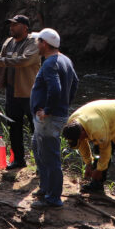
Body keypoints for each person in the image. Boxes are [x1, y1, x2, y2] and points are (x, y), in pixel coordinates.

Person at [29, 27, 78, 208]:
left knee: (50, 157)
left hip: (48, 119)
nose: (36, 44)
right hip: (53, 118)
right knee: (38, 148)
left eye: (37, 41)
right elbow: (75, 84)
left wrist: (48, 110)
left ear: (44, 44)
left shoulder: (50, 63)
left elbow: (55, 89)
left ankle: (53, 198)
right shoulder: (65, 60)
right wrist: (64, 105)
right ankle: (45, 188)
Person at [62, 99, 115, 199]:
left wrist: (99, 170)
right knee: (97, 153)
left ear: (82, 132)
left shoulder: (97, 129)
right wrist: (88, 163)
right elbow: (81, 144)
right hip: (108, 120)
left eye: (80, 138)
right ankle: (97, 184)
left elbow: (106, 151)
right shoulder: (72, 124)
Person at [0, 15, 40, 169]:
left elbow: (24, 60)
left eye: (15, 25)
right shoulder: (8, 42)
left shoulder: (33, 43)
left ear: (25, 27)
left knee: (35, 129)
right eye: (10, 25)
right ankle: (18, 160)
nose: (11, 27)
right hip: (11, 91)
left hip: (29, 93)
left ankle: (40, 163)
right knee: (13, 126)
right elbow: (1, 58)